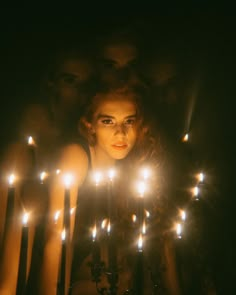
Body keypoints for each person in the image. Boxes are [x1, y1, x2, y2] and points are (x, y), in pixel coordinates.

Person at [39, 85, 181, 295]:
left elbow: (163, 237)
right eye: (108, 121)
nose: (120, 133)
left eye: (129, 121)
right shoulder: (76, 156)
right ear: (89, 126)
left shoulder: (140, 162)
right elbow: (55, 240)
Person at [0, 46, 95, 295]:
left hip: (71, 252)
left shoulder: (85, 136)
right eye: (70, 81)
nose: (78, 91)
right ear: (51, 83)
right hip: (21, 248)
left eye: (85, 84)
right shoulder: (29, 137)